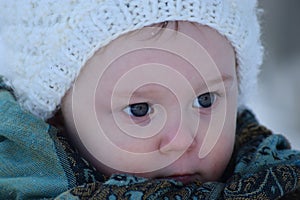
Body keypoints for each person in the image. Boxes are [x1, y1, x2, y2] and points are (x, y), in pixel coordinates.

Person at [0, 0, 299, 199]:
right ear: (56, 114)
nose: (182, 139)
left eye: (206, 100)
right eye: (139, 109)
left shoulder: (278, 180)